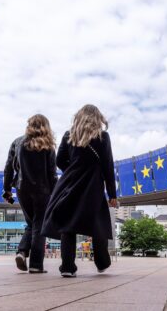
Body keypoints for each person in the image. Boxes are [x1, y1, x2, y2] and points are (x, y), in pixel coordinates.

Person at [42, 104, 117, 278]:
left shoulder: (69, 136)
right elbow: (108, 166)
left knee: (68, 225)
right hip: (93, 186)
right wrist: (112, 194)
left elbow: (60, 160)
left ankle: (67, 267)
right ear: (98, 118)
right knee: (97, 223)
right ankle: (102, 262)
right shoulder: (103, 137)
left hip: (69, 184)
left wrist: (74, 168)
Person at [3, 114, 58, 274]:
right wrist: (55, 195)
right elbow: (52, 173)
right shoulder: (48, 146)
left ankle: (21, 251)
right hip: (42, 191)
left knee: (31, 223)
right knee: (39, 226)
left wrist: (7, 189)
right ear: (45, 127)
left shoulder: (17, 142)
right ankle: (35, 265)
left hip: (21, 188)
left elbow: (8, 167)